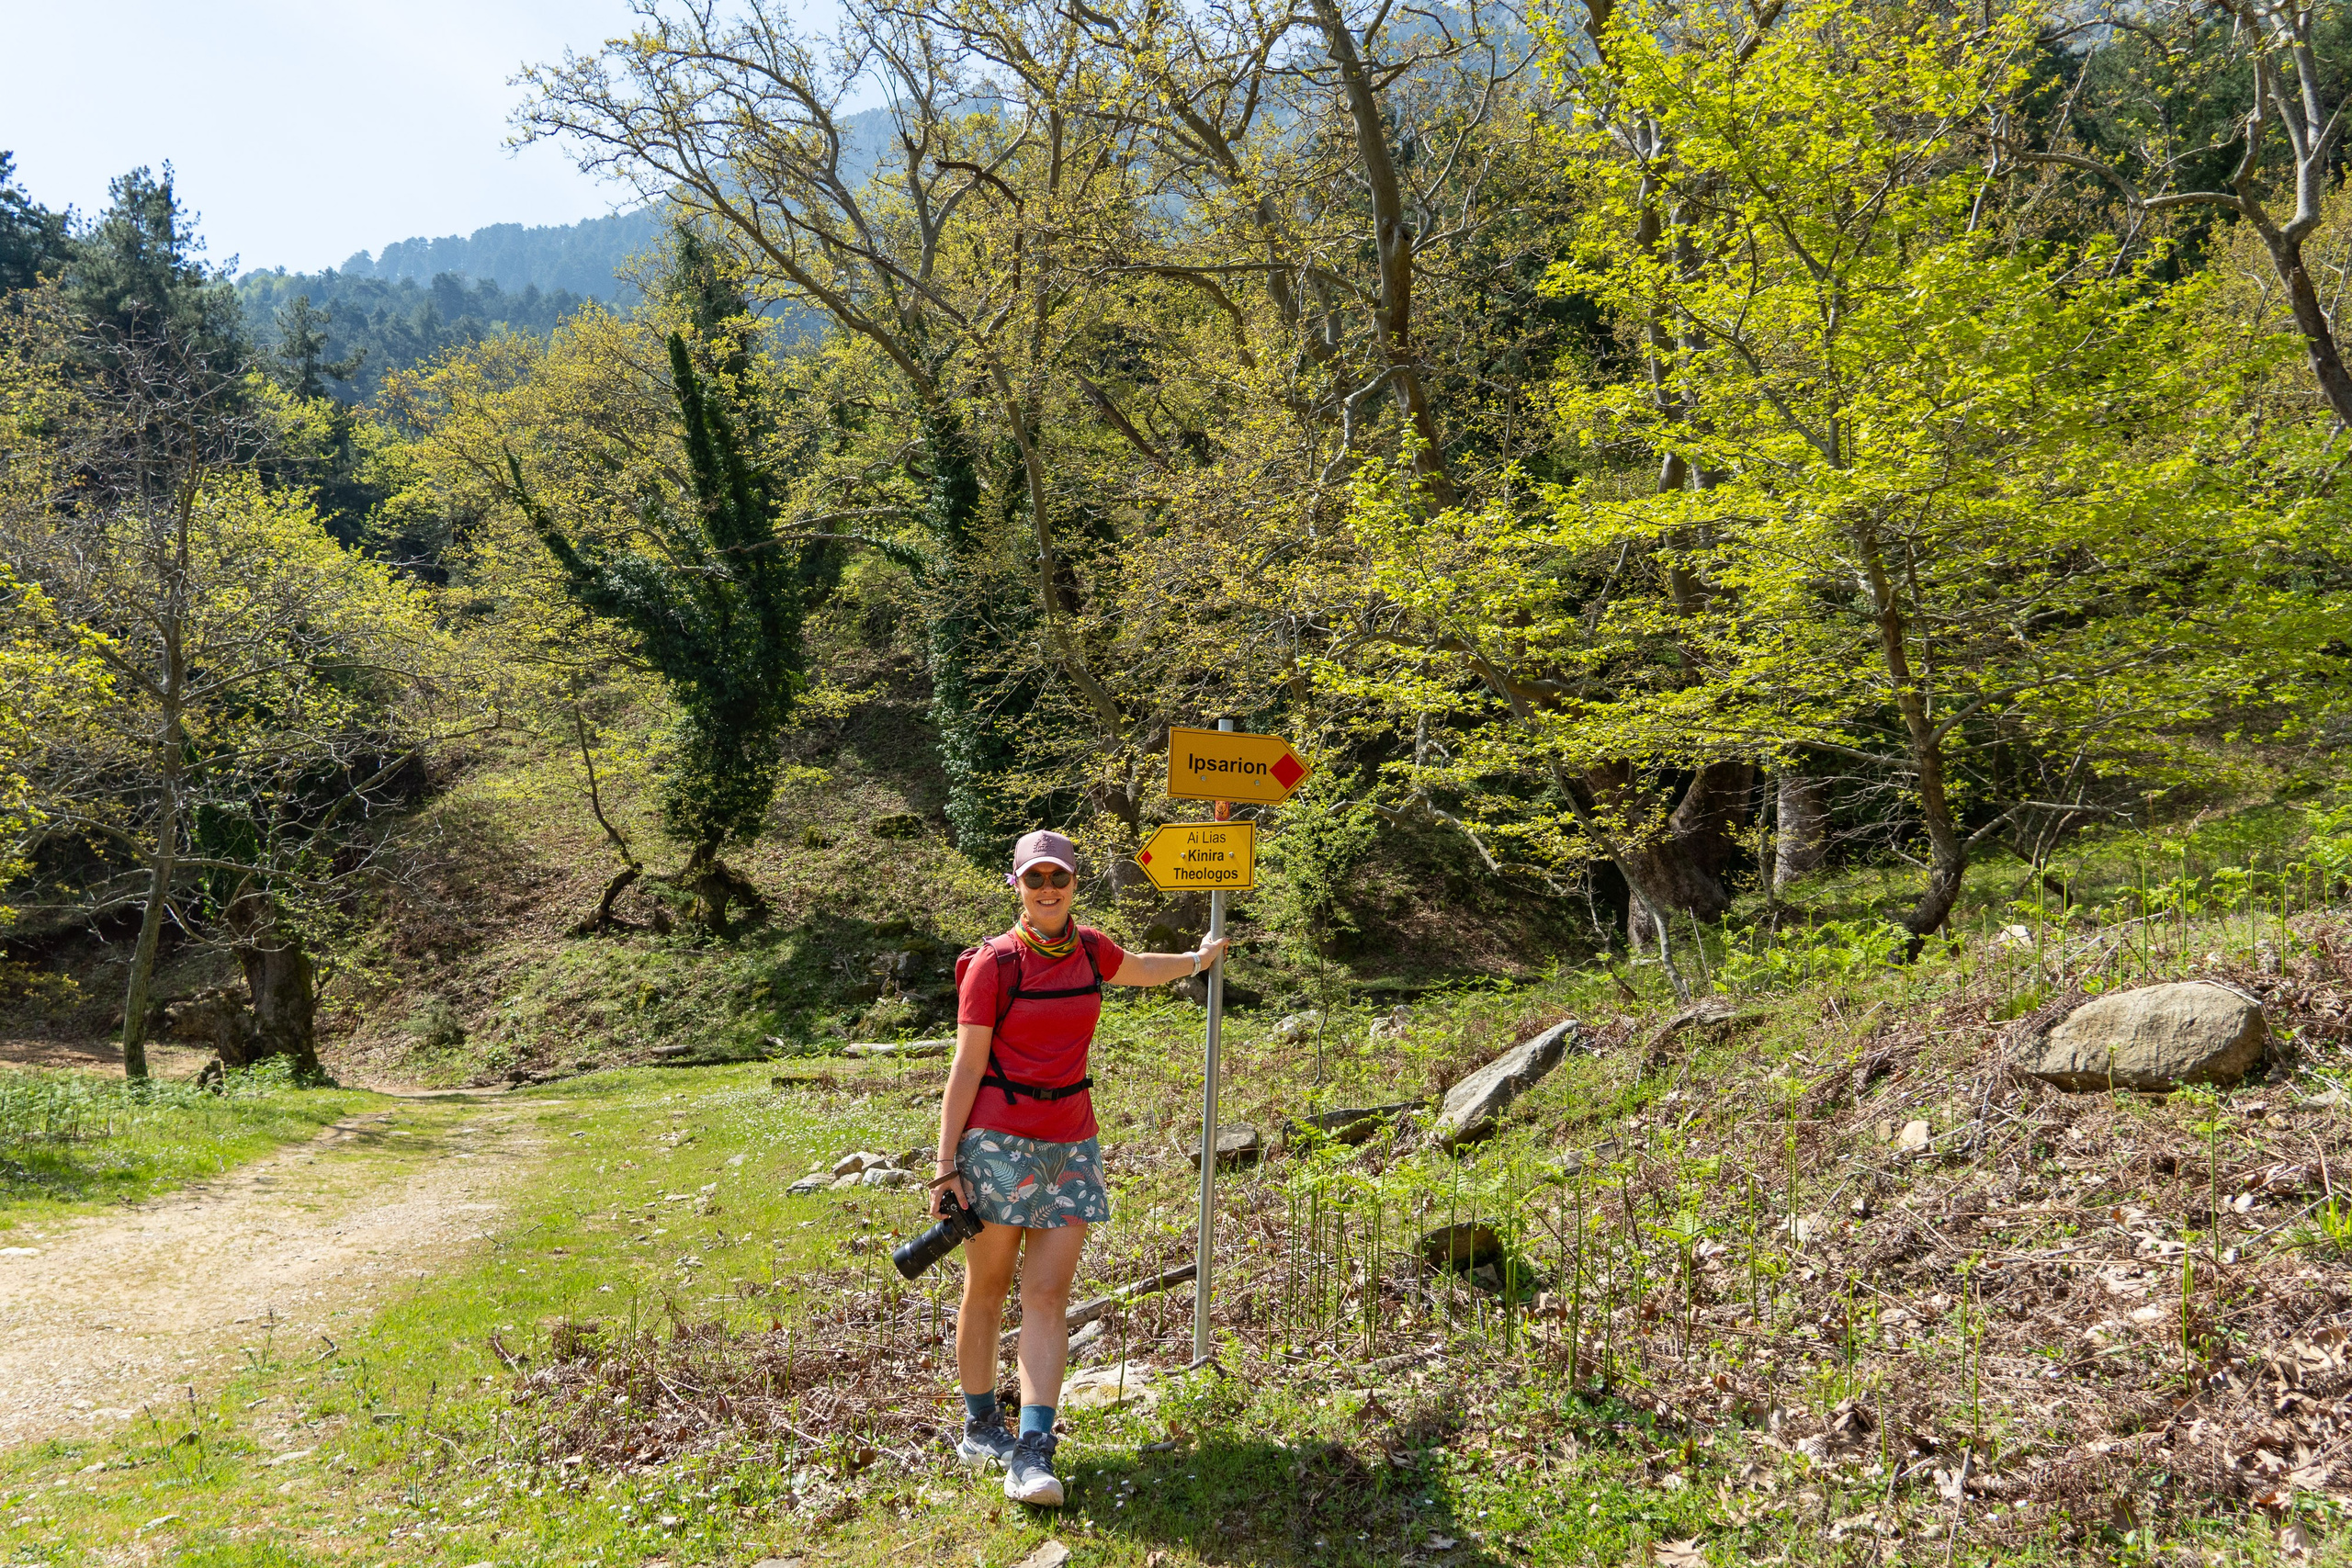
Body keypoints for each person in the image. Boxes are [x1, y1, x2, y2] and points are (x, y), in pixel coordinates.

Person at [931, 829, 1227, 1506]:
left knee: (1048, 1295)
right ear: (1016, 885)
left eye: (1057, 877)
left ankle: (1034, 1446)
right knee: (989, 1286)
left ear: (1073, 882)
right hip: (997, 1143)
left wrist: (1196, 958)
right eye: (1034, 879)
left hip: (1072, 1142)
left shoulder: (1091, 948)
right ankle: (982, 1425)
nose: (1047, 889)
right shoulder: (993, 964)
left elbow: (1139, 968)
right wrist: (945, 1166)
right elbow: (966, 1065)